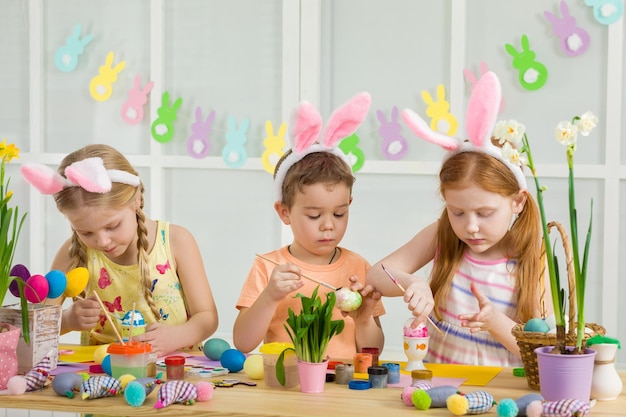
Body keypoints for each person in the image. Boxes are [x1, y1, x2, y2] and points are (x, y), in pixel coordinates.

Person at [366, 71, 546, 367]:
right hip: (439, 392)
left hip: (500, 399)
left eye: (485, 213)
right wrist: (413, 282)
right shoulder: (443, 234)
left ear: (517, 201)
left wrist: (495, 323)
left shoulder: (531, 257)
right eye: (457, 211)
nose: (470, 226)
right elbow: (376, 275)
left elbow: (545, 354)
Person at [21, 144, 218, 357]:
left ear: (136, 200)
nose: (103, 241)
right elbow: (35, 329)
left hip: (175, 371)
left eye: (112, 226)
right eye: (85, 232)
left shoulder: (176, 241)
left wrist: (175, 337)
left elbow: (207, 317)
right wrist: (67, 320)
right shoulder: (72, 253)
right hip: (101, 375)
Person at [233, 93, 385, 358]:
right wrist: (270, 296)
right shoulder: (269, 268)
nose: (328, 226)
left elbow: (373, 352)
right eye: (314, 216)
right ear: (284, 212)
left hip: (344, 389)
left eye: (339, 214)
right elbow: (243, 343)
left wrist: (363, 319)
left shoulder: (358, 267)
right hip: (287, 389)